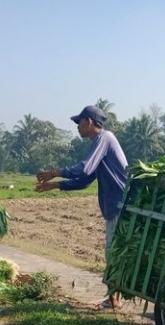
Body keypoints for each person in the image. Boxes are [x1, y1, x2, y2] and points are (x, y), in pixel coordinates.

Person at [35, 105, 128, 310]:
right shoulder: (100, 142)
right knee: (114, 253)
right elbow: (85, 180)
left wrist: (55, 172)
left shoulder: (104, 138)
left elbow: (84, 168)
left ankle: (114, 300)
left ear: (89, 122)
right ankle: (114, 299)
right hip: (115, 205)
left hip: (120, 205)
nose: (77, 127)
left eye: (79, 122)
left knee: (112, 253)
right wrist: (55, 185)